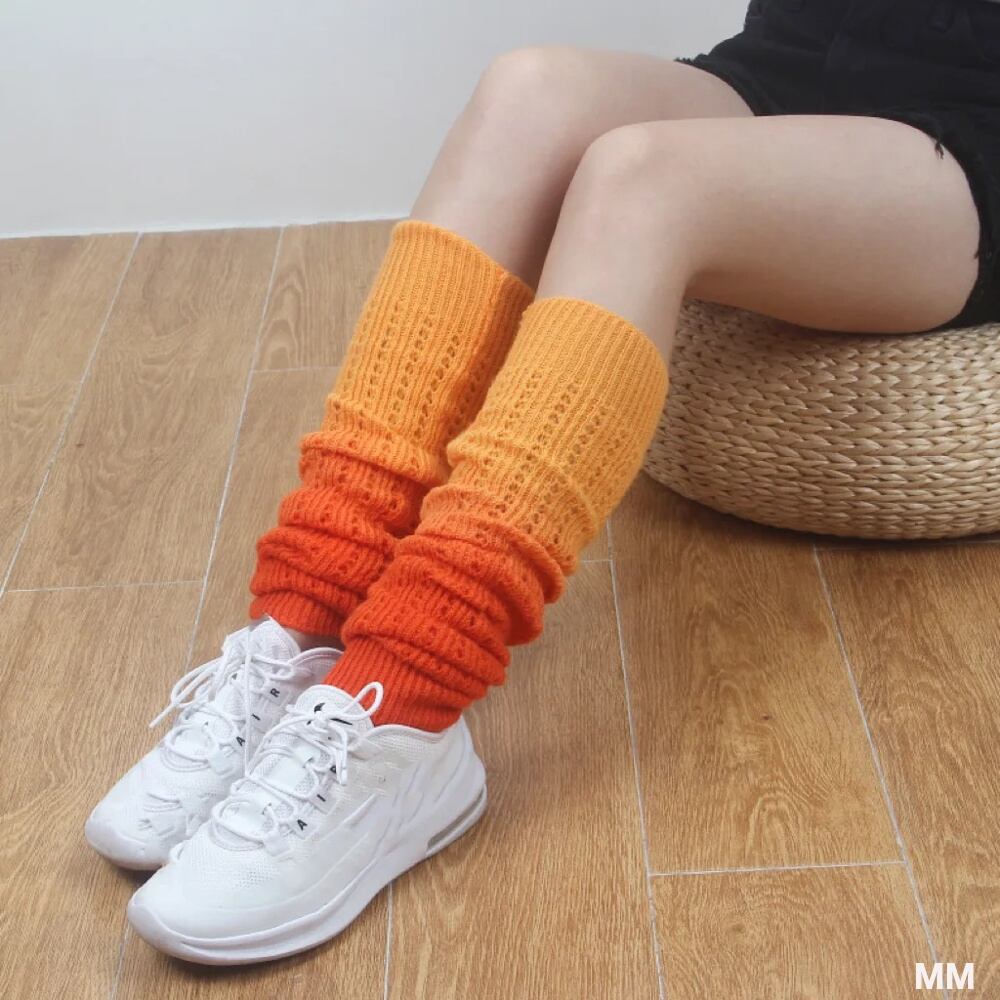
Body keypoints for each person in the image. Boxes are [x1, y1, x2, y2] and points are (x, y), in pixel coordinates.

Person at [86, 0, 1000, 965]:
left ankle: (411, 699)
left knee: (644, 179)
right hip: (798, 58)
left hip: (968, 128)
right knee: (529, 90)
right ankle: (307, 622)